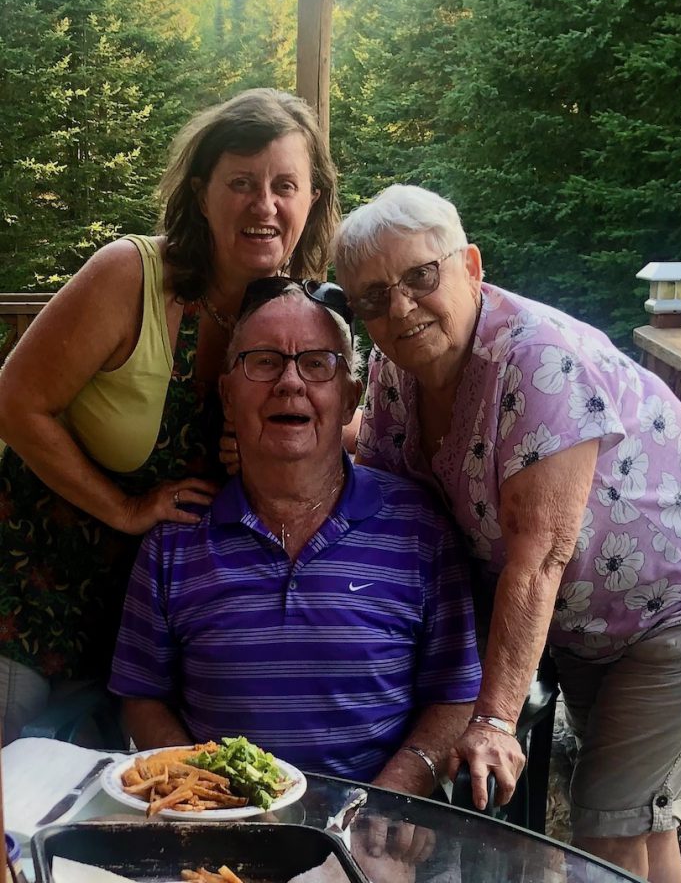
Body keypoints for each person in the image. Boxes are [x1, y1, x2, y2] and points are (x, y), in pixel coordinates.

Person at [331, 185, 681, 883]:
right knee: (639, 818)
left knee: (606, 822)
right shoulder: (396, 375)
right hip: (594, 619)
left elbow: (540, 555)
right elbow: (390, 493)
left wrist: (489, 721)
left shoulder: (535, 359)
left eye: (420, 276)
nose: (399, 306)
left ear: (470, 266)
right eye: (371, 296)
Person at [0, 88, 339, 742]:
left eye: (284, 185)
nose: (262, 205)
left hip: (148, 622)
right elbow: (14, 403)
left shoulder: (301, 313)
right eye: (240, 182)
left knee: (92, 818)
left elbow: (348, 427)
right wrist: (124, 509)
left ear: (313, 199)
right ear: (201, 192)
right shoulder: (131, 275)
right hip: (27, 586)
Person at [110, 279, 481, 793]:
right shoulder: (173, 541)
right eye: (263, 362)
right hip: (222, 834)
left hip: (376, 834)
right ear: (227, 393)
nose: (290, 382)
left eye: (317, 363)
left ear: (351, 398)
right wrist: (206, 792)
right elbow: (141, 696)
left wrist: (382, 806)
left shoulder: (420, 526)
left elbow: (455, 694)